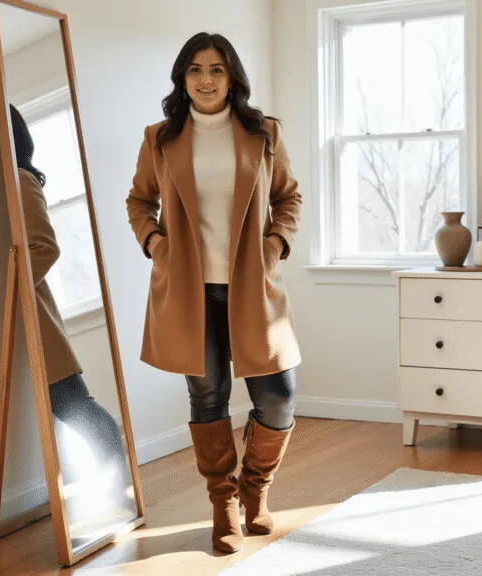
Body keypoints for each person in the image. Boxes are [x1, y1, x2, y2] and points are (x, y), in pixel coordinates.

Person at [125, 32, 302, 554]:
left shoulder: (263, 133)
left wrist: (275, 244)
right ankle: (223, 505)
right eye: (196, 69)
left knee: (279, 397)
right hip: (188, 291)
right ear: (183, 78)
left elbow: (288, 197)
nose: (206, 79)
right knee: (208, 396)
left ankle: (256, 490)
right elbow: (139, 201)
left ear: (233, 78)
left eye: (217, 69)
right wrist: (155, 243)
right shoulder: (159, 137)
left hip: (254, 288)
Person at [9, 104, 136, 532]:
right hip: (12, 321)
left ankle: (121, 479)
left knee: (73, 404)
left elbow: (44, 247)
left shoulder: (21, 179)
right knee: (58, 410)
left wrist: (10, 290)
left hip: (32, 316)